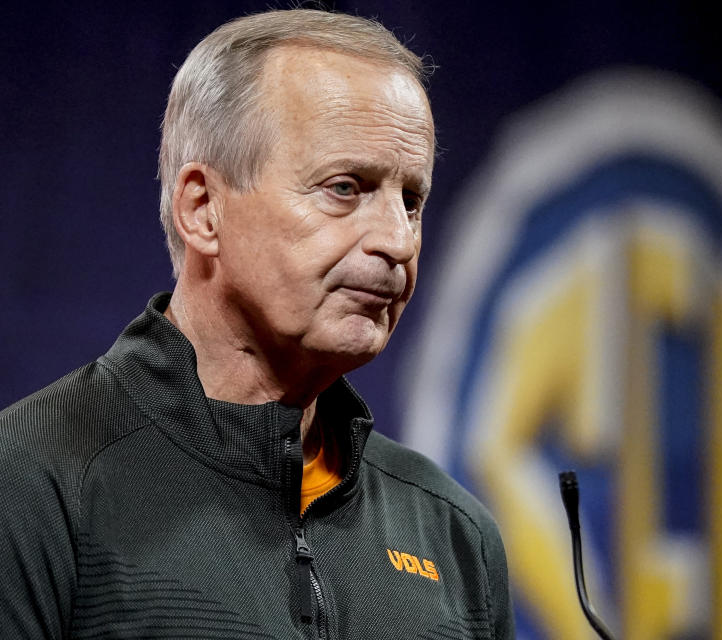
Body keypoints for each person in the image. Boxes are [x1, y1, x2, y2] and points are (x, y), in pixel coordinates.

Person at [0, 9, 514, 639]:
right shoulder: (31, 483)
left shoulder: (455, 535)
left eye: (411, 200)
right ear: (203, 209)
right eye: (345, 188)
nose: (397, 241)